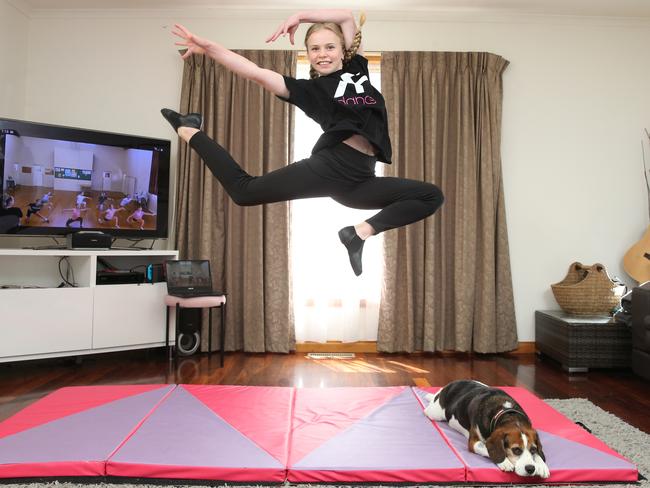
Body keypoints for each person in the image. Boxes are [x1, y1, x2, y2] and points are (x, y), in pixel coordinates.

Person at [162, 10, 444, 276]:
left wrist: (300, 16)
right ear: (307, 54)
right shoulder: (308, 90)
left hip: (360, 180)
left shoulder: (357, 69)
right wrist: (209, 47)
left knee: (430, 196)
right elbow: (254, 72)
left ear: (342, 50)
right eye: (315, 49)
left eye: (329, 47)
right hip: (332, 166)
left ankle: (358, 233)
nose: (322, 54)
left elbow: (346, 16)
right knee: (244, 192)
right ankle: (190, 131)